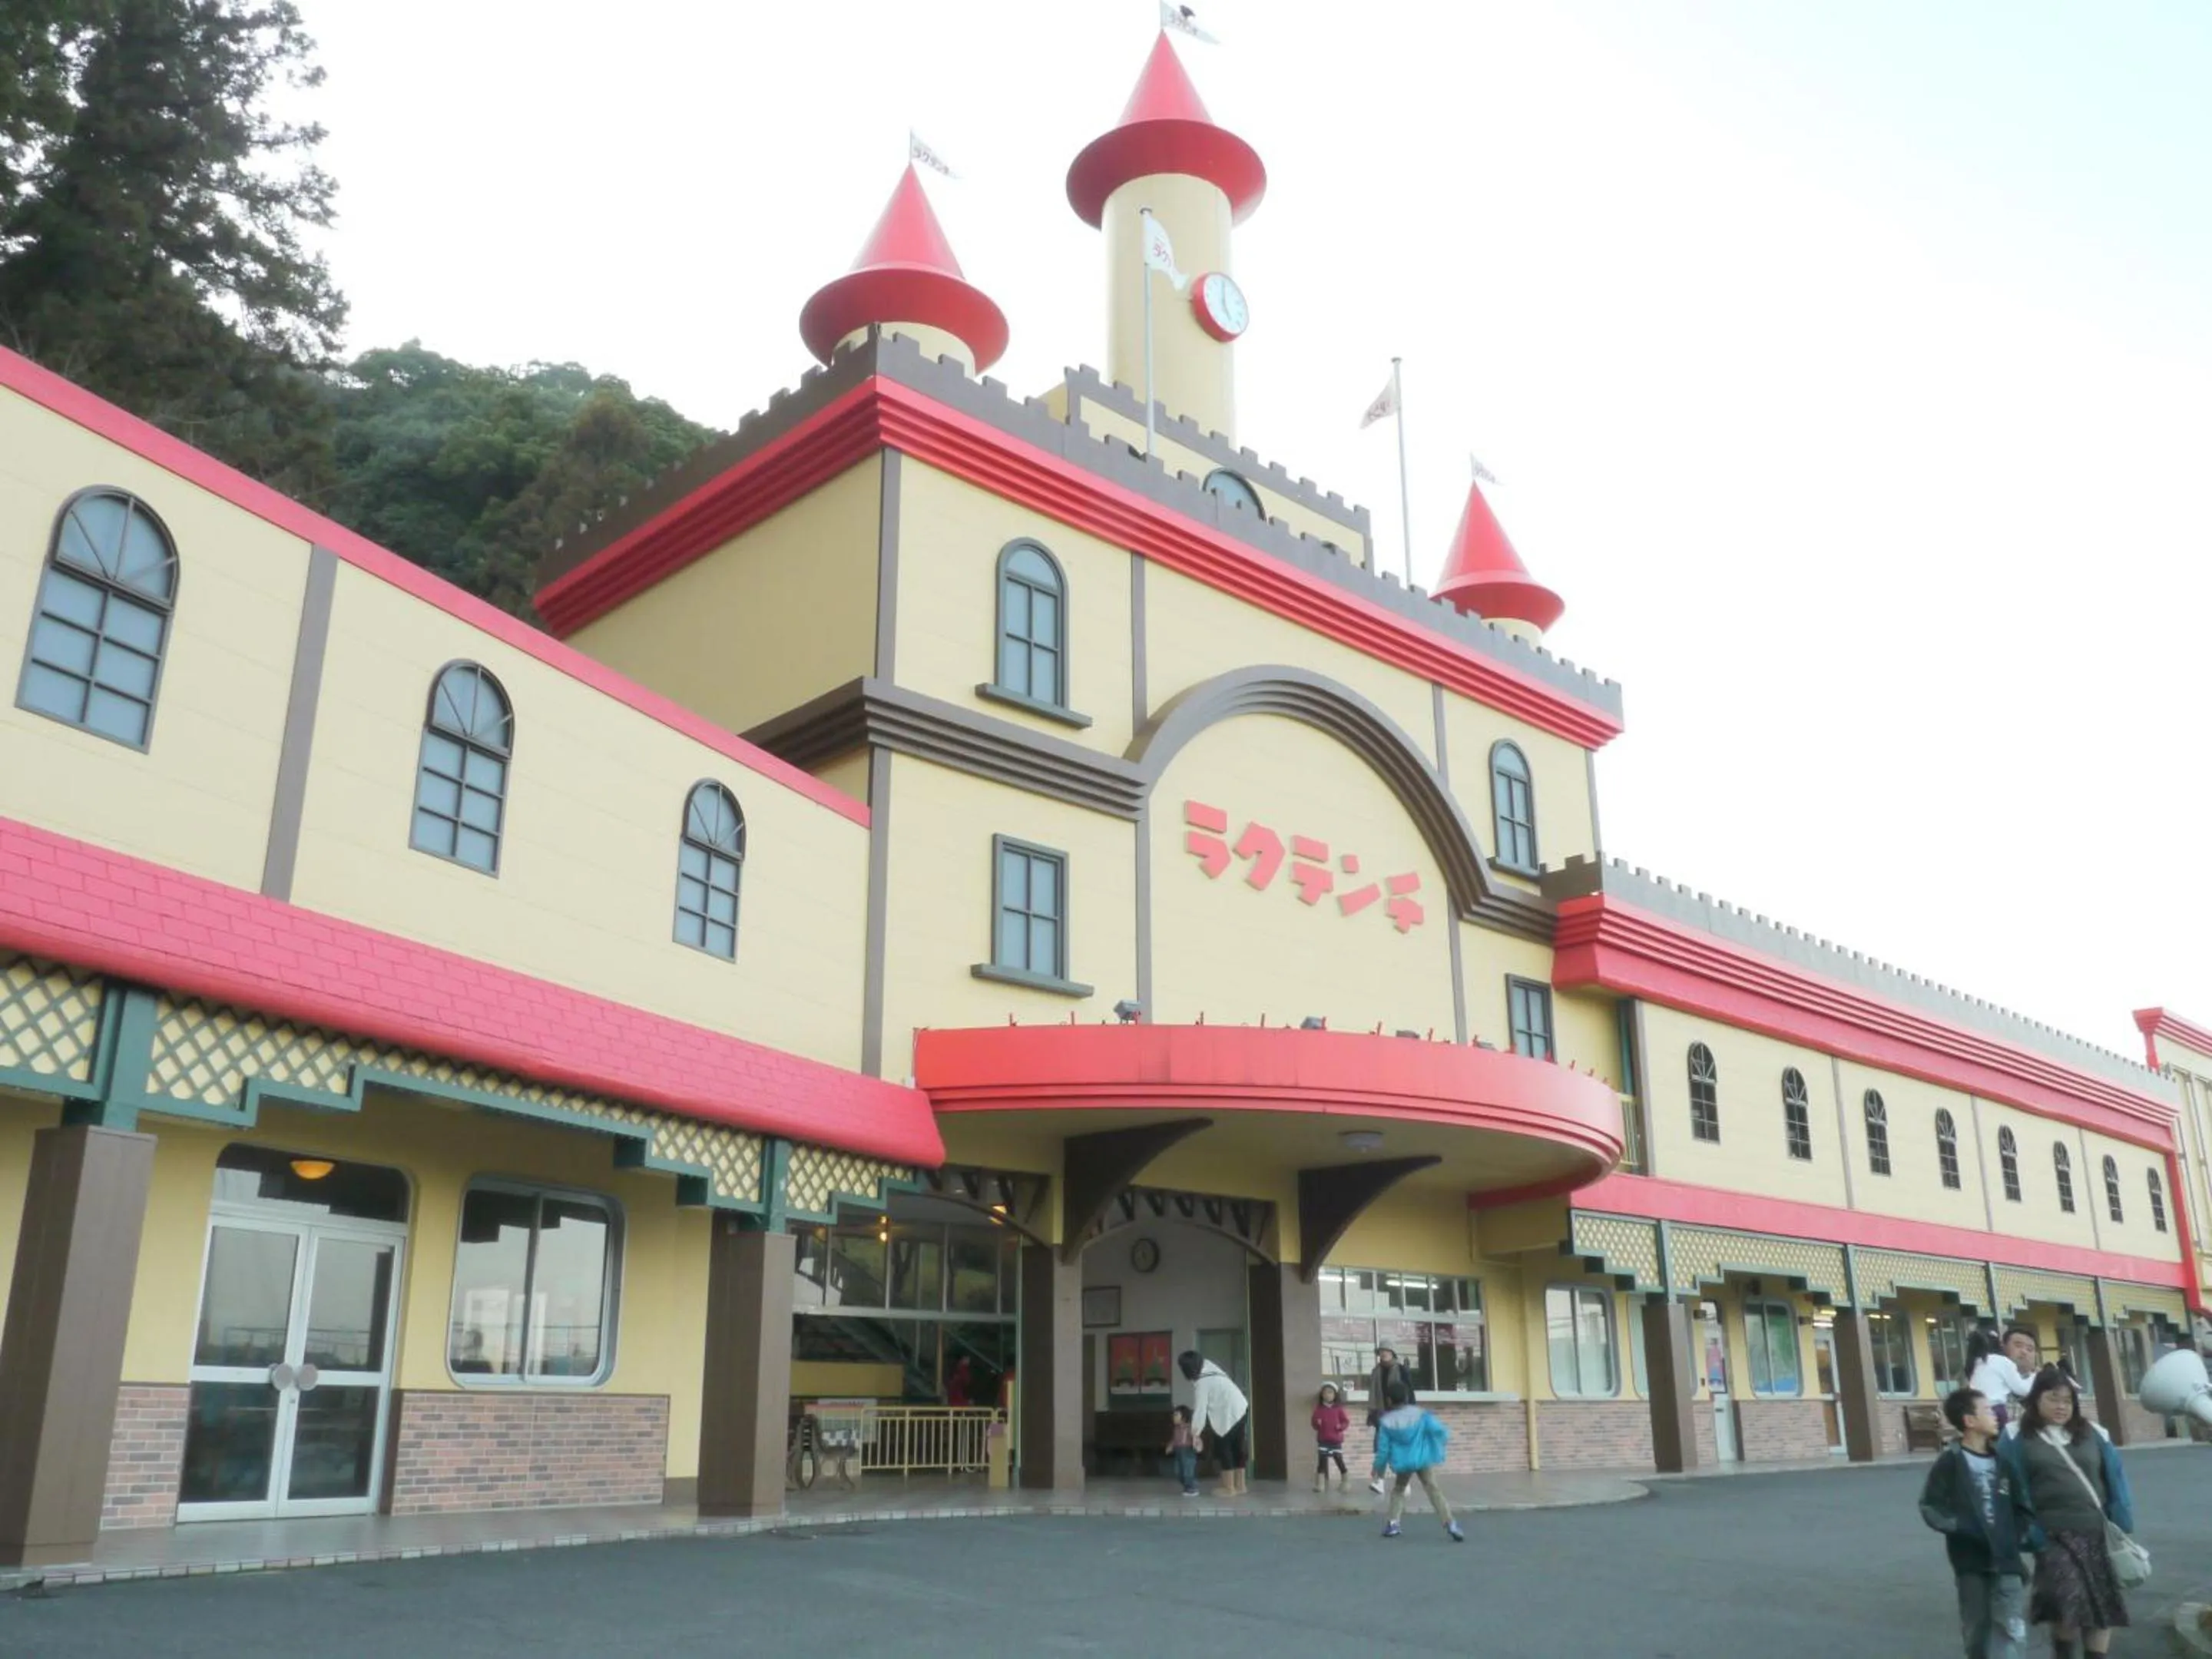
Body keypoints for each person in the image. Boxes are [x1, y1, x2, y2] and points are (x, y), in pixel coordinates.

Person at [1999, 1367, 2134, 1659]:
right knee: (2066, 1599)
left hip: (2097, 1532)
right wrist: (2023, 1530)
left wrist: (2121, 1520)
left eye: (2067, 1401)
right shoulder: (2015, 1436)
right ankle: (2063, 1653)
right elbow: (2009, 1487)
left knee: (2101, 1604)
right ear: (2035, 1399)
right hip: (2050, 1534)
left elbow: (2116, 1479)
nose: (2061, 1406)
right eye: (2053, 1399)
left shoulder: (2094, 1433)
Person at [1919, 1386, 2035, 1659]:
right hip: (1970, 1561)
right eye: (1988, 1410)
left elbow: (2023, 1505)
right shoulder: (1950, 1462)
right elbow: (1930, 1505)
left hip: (2006, 1560)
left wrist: (2015, 1535)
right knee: (1977, 1628)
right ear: (1969, 1421)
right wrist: (1959, 1527)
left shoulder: (2003, 1461)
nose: (1996, 1415)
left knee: (2010, 1627)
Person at [1369, 1379, 1463, 1541]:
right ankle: (1450, 1523)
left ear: (1389, 1400)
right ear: (1406, 1397)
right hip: (1423, 1459)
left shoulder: (1386, 1422)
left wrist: (1378, 1468)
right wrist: (1439, 1444)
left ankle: (1393, 1524)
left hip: (1403, 1462)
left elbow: (1383, 1450)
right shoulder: (1421, 1414)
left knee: (1399, 1490)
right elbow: (1440, 1431)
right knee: (1433, 1489)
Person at [1178, 1349, 1250, 1497]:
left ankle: (1229, 1488)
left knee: (1224, 1447)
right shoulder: (1209, 1366)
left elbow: (1200, 1411)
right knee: (1238, 1447)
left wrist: (1195, 1434)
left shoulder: (1202, 1383)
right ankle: (1241, 1485)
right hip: (1241, 1407)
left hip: (1228, 1413)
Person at [1365, 1346, 1416, 1495]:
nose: (1383, 1354)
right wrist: (1371, 1417)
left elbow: (1410, 1393)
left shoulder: (1401, 1370)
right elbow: (1372, 1395)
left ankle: (1404, 1482)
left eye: (1386, 1351)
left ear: (1392, 1352)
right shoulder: (1376, 1371)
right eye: (1381, 1352)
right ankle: (1379, 1482)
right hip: (1382, 1415)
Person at [1967, 1327, 2034, 1432]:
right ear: (2003, 1346)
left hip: (1978, 1412)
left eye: (2030, 1349)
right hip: (1997, 1411)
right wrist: (2035, 1376)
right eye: (2018, 1345)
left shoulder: (1976, 1363)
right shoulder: (2003, 1362)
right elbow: (2023, 1389)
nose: (2024, 1352)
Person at [1312, 1382, 1351, 1492]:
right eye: (1325, 1393)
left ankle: (1346, 1482)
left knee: (1339, 1460)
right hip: (1323, 1439)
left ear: (1335, 1395)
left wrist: (1340, 1427)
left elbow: (1346, 1421)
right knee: (1322, 1462)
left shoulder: (1338, 1409)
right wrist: (1317, 1423)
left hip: (1335, 1440)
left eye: (1330, 1392)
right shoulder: (1319, 1409)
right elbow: (1314, 1423)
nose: (1327, 1395)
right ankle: (1320, 1485)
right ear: (1322, 1395)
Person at [1164, 1403, 1199, 1498]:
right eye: (1174, 1415)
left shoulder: (1190, 1428)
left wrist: (1197, 1443)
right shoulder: (1176, 1429)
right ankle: (1188, 1485)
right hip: (1178, 1451)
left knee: (1188, 1470)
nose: (1173, 1417)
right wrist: (1170, 1446)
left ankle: (1191, 1487)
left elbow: (1195, 1438)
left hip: (1188, 1451)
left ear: (1184, 1417)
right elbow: (1174, 1439)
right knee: (1178, 1471)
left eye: (1176, 1415)